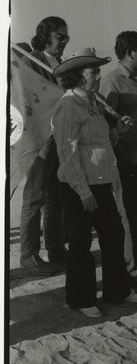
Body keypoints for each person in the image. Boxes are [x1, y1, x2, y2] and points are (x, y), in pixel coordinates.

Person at [52, 48, 137, 318]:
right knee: (81, 245)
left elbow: (98, 143)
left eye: (98, 72)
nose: (98, 78)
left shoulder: (91, 103)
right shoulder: (67, 107)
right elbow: (67, 156)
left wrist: (119, 131)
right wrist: (83, 192)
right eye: (93, 73)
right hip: (79, 187)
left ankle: (117, 291)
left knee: (113, 238)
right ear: (77, 77)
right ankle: (80, 299)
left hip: (101, 184)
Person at [100, 31, 137, 291]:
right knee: (129, 217)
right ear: (131, 52)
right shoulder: (113, 81)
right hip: (126, 162)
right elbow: (105, 125)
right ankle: (132, 271)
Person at [20, 17, 70, 275]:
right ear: (46, 35)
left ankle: (56, 248)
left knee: (56, 197)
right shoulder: (30, 61)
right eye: (60, 36)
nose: (63, 41)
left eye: (66, 38)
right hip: (40, 138)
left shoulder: (61, 64)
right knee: (35, 196)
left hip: (59, 135)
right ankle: (28, 254)